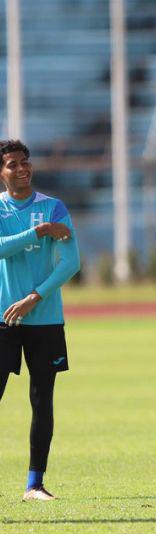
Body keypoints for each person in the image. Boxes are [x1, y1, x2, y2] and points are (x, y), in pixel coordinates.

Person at [0, 139, 80, 501]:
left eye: (25, 162)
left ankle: (35, 484)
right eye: (12, 164)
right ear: (1, 173)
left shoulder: (54, 207)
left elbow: (70, 262)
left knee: (42, 397)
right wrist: (38, 232)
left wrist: (35, 297)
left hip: (44, 318)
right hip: (3, 318)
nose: (22, 168)